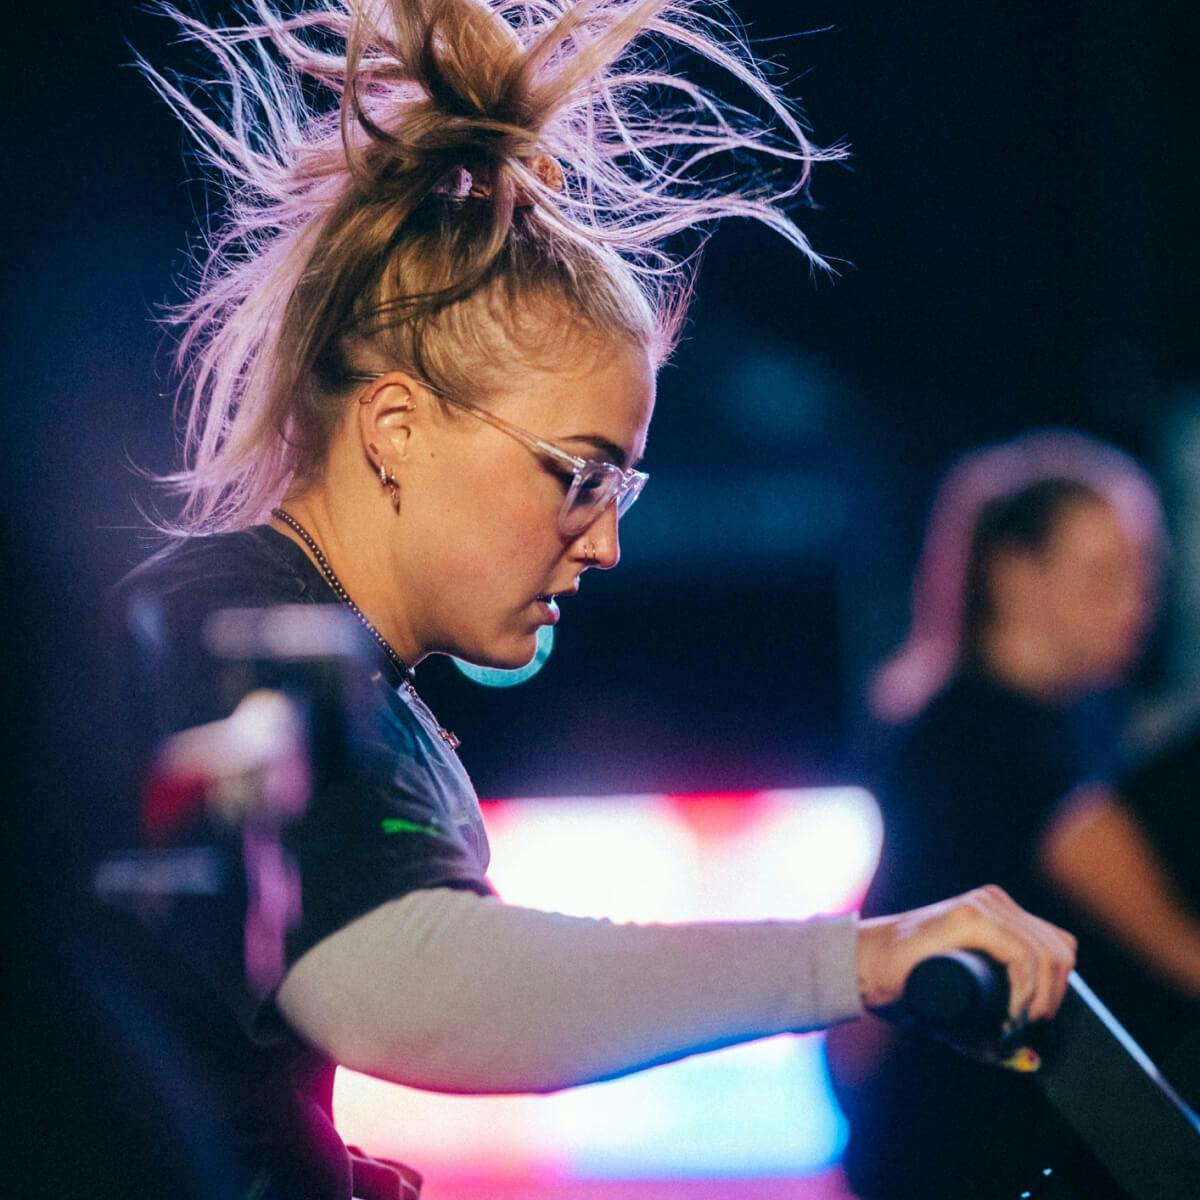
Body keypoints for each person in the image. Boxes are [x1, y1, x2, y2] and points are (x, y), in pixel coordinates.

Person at [111, 4, 1077, 1196]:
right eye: (578, 475)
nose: (610, 541)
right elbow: (399, 983)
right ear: (398, 428)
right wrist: (863, 960)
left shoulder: (329, 669)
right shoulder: (235, 636)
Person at [828, 430, 1200, 1199]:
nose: (1137, 600)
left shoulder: (1070, 725)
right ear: (1013, 575)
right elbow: (1122, 891)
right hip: (958, 1149)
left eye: (1143, 573)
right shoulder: (977, 735)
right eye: (1105, 573)